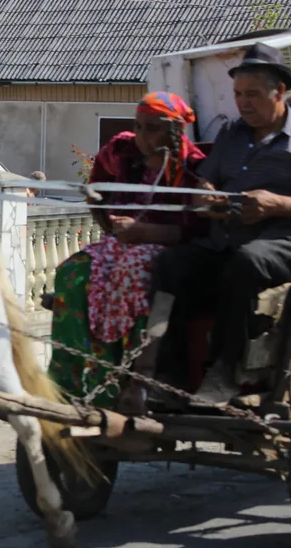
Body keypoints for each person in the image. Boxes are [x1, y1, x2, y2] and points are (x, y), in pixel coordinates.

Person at [151, 43, 291, 405]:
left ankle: (224, 373)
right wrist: (207, 198)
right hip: (226, 243)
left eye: (253, 95)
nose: (243, 103)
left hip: (289, 246)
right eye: (238, 94)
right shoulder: (231, 135)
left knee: (247, 261)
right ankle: (169, 377)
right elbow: (204, 184)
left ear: (279, 92)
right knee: (170, 264)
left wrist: (278, 204)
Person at [45, 91, 210, 410]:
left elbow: (197, 229)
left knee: (129, 273)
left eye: (152, 128)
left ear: (174, 131)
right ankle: (65, 380)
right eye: (139, 126)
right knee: (71, 272)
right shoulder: (122, 150)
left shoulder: (193, 167)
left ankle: (120, 382)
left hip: (165, 247)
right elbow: (97, 184)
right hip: (121, 242)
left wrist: (144, 232)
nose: (143, 136)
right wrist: (107, 220)